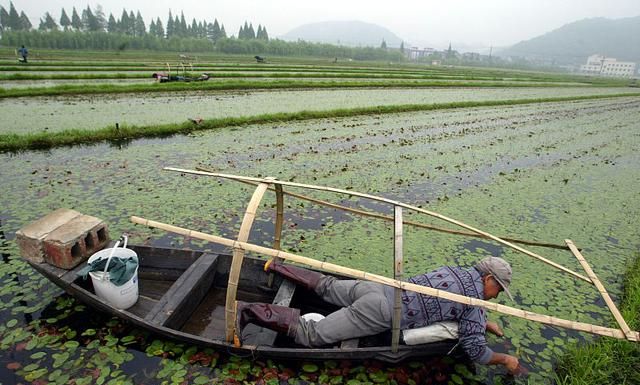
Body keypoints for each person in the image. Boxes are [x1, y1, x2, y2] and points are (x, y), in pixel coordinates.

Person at [236, 256, 525, 375]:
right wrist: (505, 359)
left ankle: (275, 266)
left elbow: (444, 303)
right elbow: (476, 351)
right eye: (498, 288)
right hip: (380, 311)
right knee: (314, 334)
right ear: (488, 278)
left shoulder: (456, 271)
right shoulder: (473, 302)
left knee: (326, 286)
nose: (497, 295)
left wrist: (484, 322)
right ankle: (247, 311)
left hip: (375, 288)